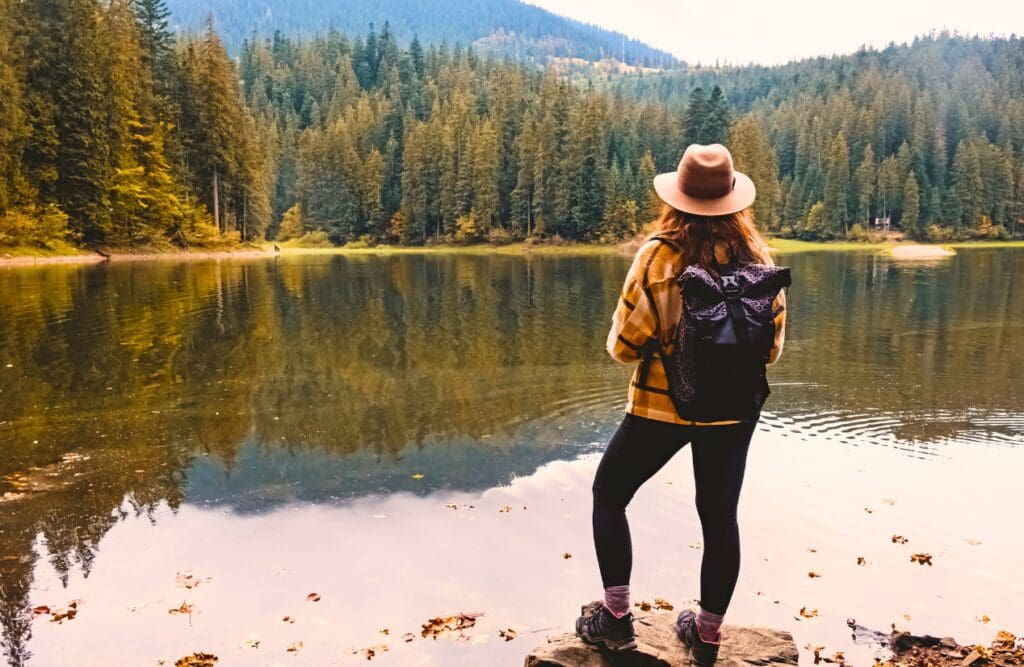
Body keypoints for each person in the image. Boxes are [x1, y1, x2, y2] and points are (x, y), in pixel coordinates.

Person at [575, 144, 787, 666]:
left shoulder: (658, 257)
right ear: (735, 201)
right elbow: (773, 351)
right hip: (734, 412)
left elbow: (623, 347)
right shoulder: (759, 261)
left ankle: (616, 619)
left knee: (609, 493)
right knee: (719, 519)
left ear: (677, 200)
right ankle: (708, 634)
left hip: (660, 408)